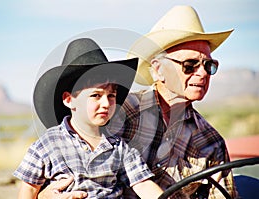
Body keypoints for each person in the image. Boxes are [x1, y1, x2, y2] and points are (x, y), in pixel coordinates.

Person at [38, 5, 238, 199]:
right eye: (190, 65)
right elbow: (58, 163)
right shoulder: (114, 113)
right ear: (158, 69)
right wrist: (44, 195)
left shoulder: (212, 141)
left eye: (209, 65)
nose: (202, 73)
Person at [13, 38, 164, 199]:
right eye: (96, 95)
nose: (106, 103)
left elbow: (143, 184)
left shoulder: (120, 148)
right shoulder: (47, 144)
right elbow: (29, 189)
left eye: (111, 96)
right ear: (69, 100)